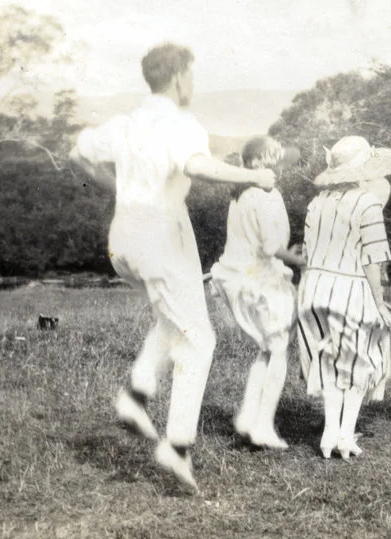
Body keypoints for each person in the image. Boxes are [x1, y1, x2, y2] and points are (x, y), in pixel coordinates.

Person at [68, 43, 276, 492]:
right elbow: (198, 167)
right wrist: (255, 177)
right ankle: (176, 445)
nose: (193, 85)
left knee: (174, 317)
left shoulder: (125, 122)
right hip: (162, 234)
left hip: (124, 236)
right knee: (199, 339)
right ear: (180, 77)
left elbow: (78, 153)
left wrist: (119, 187)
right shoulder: (179, 123)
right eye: (192, 76)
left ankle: (136, 394)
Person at [296, 136, 391, 460]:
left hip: (314, 288)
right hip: (350, 287)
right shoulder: (367, 202)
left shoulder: (316, 203)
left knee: (328, 359)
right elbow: (373, 258)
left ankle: (330, 432)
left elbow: (308, 252)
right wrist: (379, 302)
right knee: (359, 359)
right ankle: (342, 436)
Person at [209, 136, 305, 450]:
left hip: (238, 277)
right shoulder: (266, 194)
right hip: (259, 281)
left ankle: (250, 416)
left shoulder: (240, 193)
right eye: (277, 159)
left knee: (268, 349)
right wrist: (303, 260)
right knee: (277, 350)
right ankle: (262, 424)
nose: (281, 168)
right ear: (263, 160)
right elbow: (270, 247)